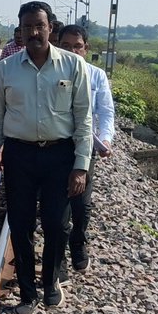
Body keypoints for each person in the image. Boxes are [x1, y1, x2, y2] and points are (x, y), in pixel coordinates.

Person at [0, 1, 92, 314]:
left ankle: (51, 280)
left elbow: (84, 121)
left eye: (39, 26)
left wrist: (81, 166)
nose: (33, 32)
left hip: (60, 155)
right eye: (27, 27)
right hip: (20, 155)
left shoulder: (73, 66)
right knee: (20, 223)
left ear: (50, 28)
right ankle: (28, 292)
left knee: (57, 224)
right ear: (21, 30)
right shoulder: (8, 68)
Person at [57, 24, 115, 272]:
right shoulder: (50, 72)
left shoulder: (96, 75)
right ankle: (57, 253)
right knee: (58, 202)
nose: (72, 51)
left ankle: (78, 243)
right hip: (56, 144)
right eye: (66, 46)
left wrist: (106, 138)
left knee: (81, 201)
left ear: (86, 48)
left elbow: (106, 111)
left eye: (77, 46)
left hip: (86, 144)